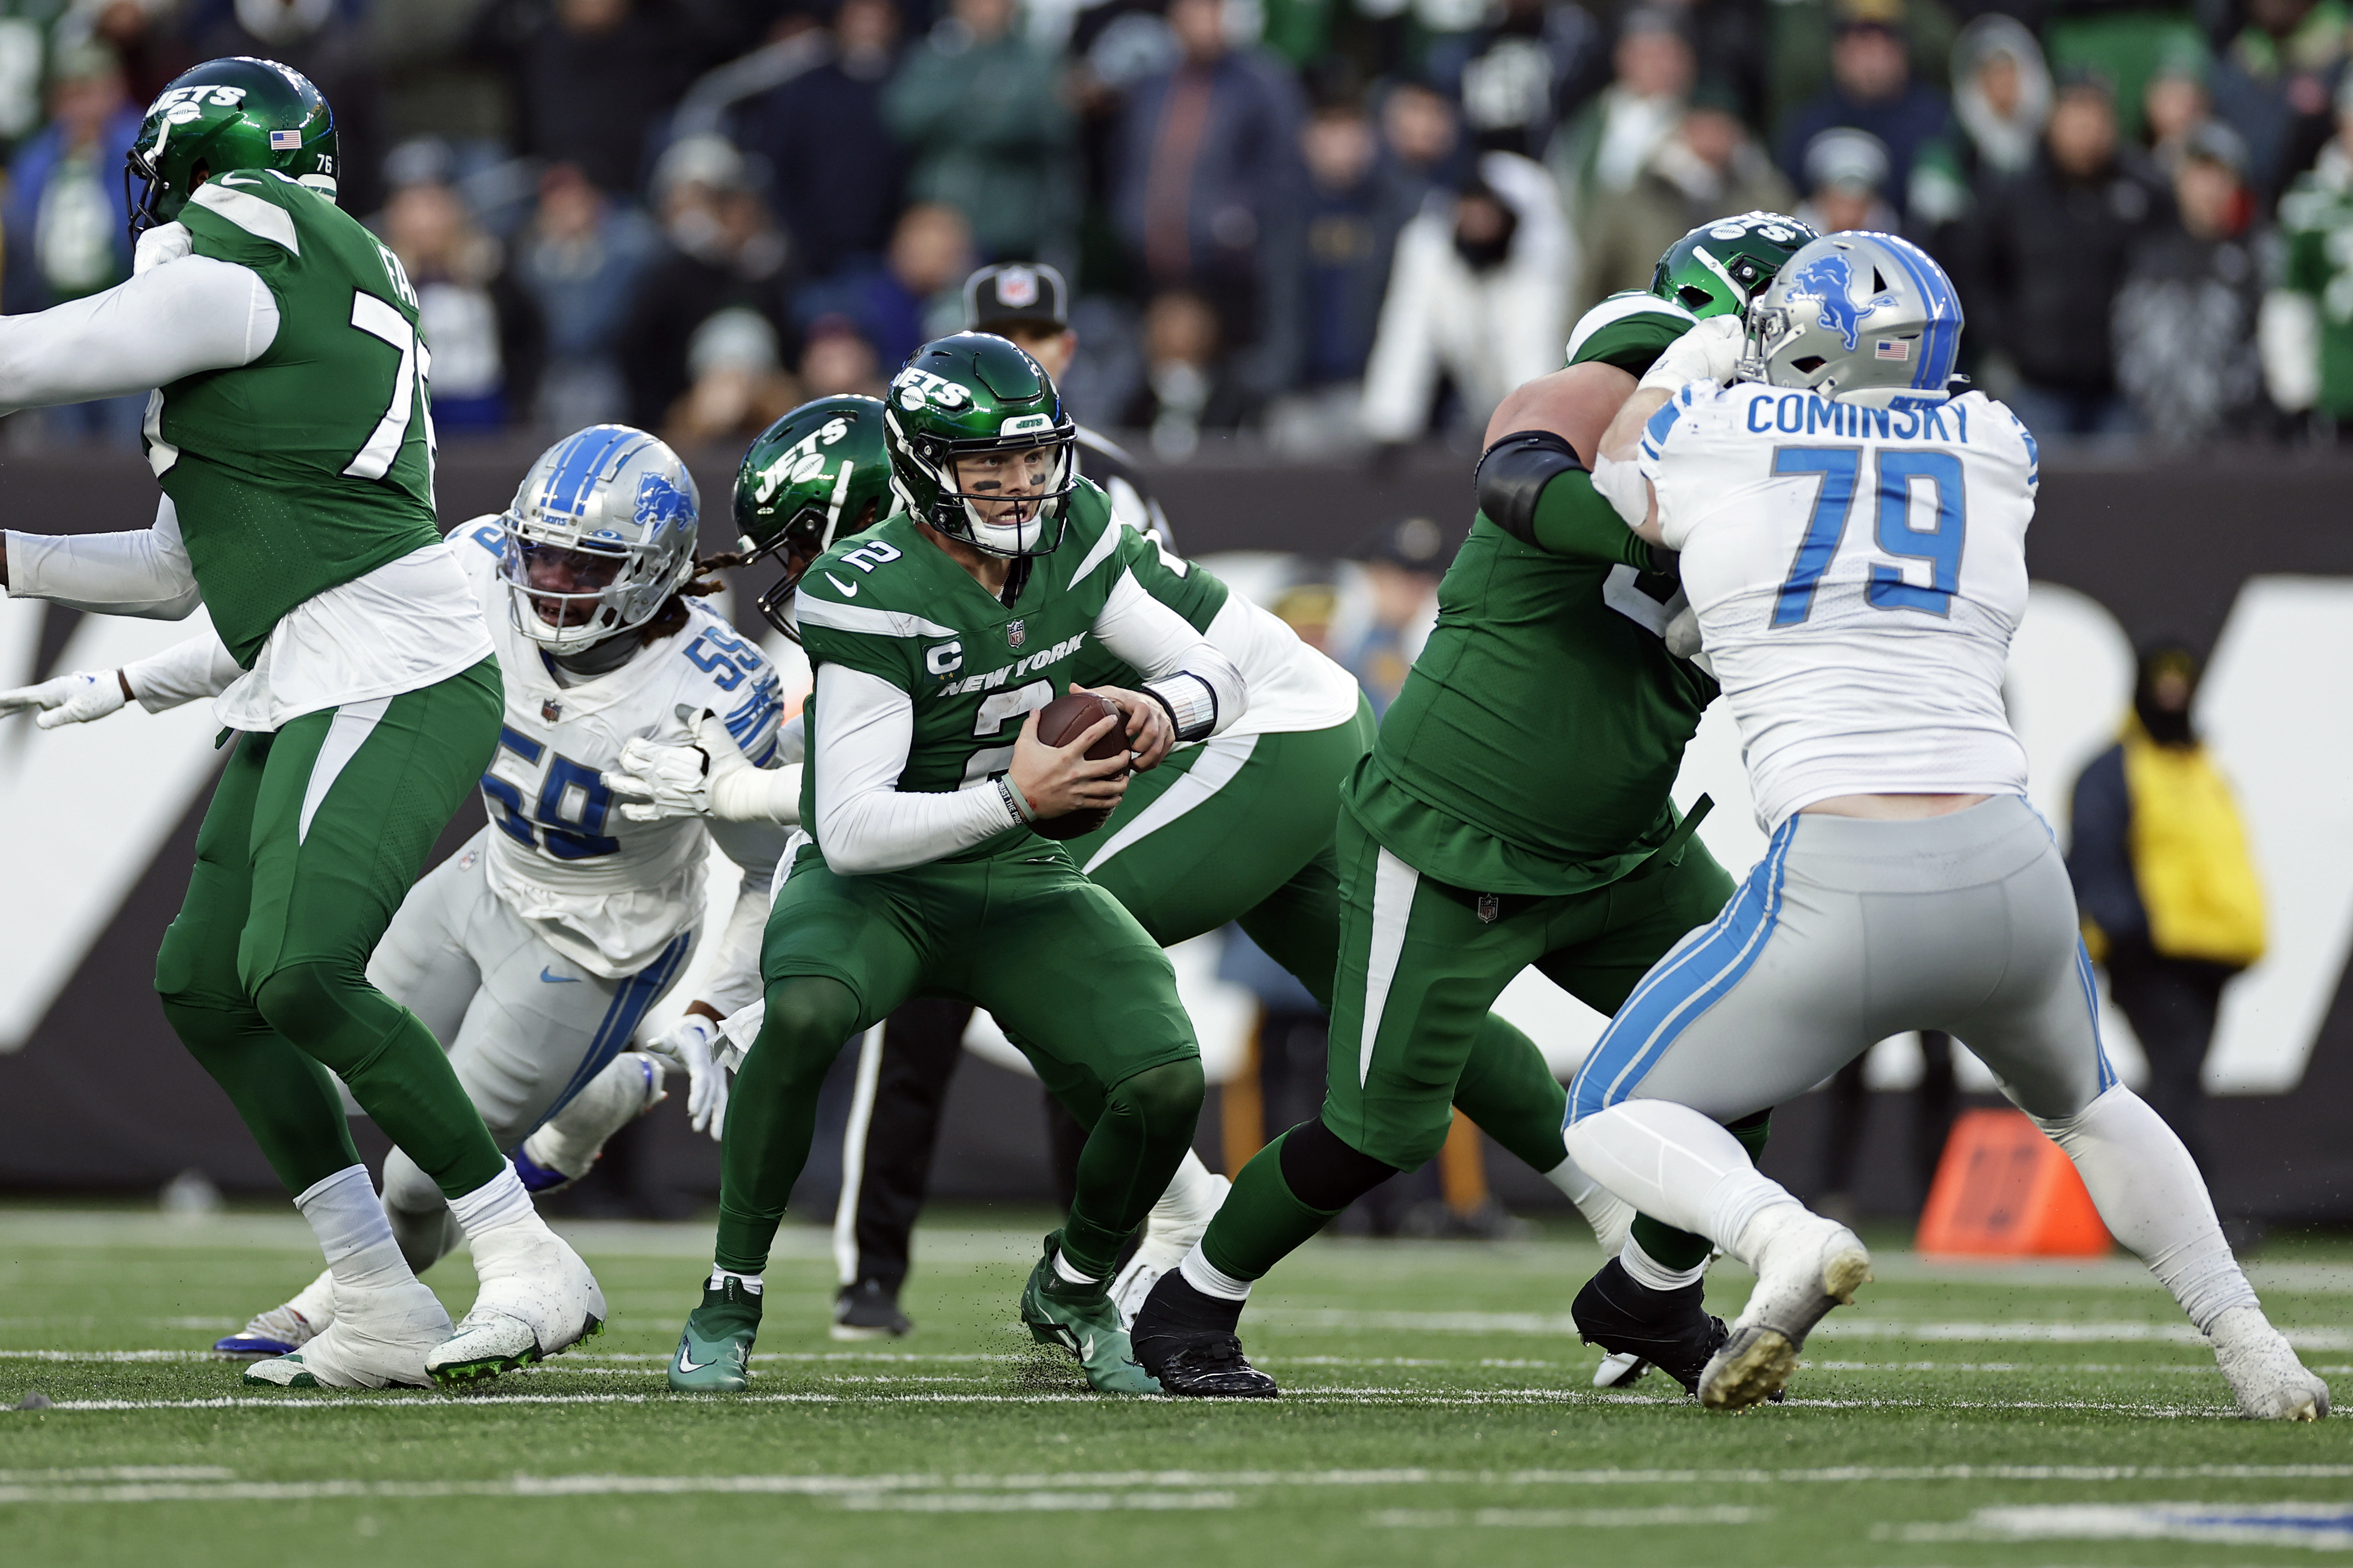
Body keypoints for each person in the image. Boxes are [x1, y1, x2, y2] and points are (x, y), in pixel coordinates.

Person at [1564, 229, 2327, 1421]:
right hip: (2009, 869)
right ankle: (2253, 1346)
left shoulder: (1727, 435)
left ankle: (1782, 1237)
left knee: (1606, 1104)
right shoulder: (1993, 445)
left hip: (1838, 873)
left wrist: (1704, 349)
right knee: (2091, 1102)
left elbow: (1616, 467)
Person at [1126, 214, 1819, 1400]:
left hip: (1623, 847)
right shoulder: (1625, 376)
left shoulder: (1807, 467)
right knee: (1377, 1130)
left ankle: (1646, 1294)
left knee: (1755, 1040)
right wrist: (1667, 542)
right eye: (1810, 346)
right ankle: (1190, 1303)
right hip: (1457, 834)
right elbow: (1517, 472)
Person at [0, 58, 598, 1390]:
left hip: (384, 655)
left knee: (300, 974)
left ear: (184, 166)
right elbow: (176, 569)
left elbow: (31, 356)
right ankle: (380, 1300)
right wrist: (15, 556)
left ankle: (520, 1250)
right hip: (312, 656)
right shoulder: (299, 271)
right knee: (207, 986)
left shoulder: (232, 263)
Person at [16, 425, 791, 1358]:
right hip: (491, 872)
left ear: (654, 573)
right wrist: (135, 681)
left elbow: (763, 863)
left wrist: (714, 1004)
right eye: (538, 554)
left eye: (585, 567)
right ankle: (393, 1253)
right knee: (329, 1042)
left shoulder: (717, 686)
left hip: (604, 934)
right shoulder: (474, 566)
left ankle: (362, 1286)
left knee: (424, 1177)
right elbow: (311, 631)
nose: (548, 582)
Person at [627, 335, 1247, 1397]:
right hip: (880, 886)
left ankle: (1077, 1280)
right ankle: (730, 1292)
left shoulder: (1077, 533)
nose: (1018, 489)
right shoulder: (867, 585)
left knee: (1164, 1074)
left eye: (1032, 462)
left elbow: (1215, 670)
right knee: (809, 1013)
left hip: (1016, 876)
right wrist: (1020, 796)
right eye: (984, 469)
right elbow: (857, 828)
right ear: (921, 470)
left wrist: (1163, 706)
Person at [2067, 643, 2266, 1175]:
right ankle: (2191, 1212)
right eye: (2163, 675)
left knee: (2183, 1077)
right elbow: (2092, 856)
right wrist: (2131, 934)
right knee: (2176, 1075)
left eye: (2184, 675)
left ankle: (2162, 1210)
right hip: (2150, 958)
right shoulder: (2113, 769)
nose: (2174, 687)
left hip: (2206, 959)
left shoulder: (2201, 768)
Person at [1964, 70, 2169, 439]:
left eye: (2096, 116)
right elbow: (1978, 271)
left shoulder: (2142, 191)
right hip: (2037, 385)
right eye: (2075, 115)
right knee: (2041, 493)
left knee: (2119, 496)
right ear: (2052, 120)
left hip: (2119, 390)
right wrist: (2003, 338)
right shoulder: (2017, 195)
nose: (2086, 129)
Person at [1359, 152, 1572, 443]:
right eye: (1468, 207)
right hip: (1474, 410)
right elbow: (1406, 335)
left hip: (1552, 418)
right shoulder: (1430, 251)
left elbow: (1531, 356)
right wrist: (1388, 424)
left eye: (1488, 211)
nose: (1476, 220)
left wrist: (1528, 435)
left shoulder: (1539, 262)